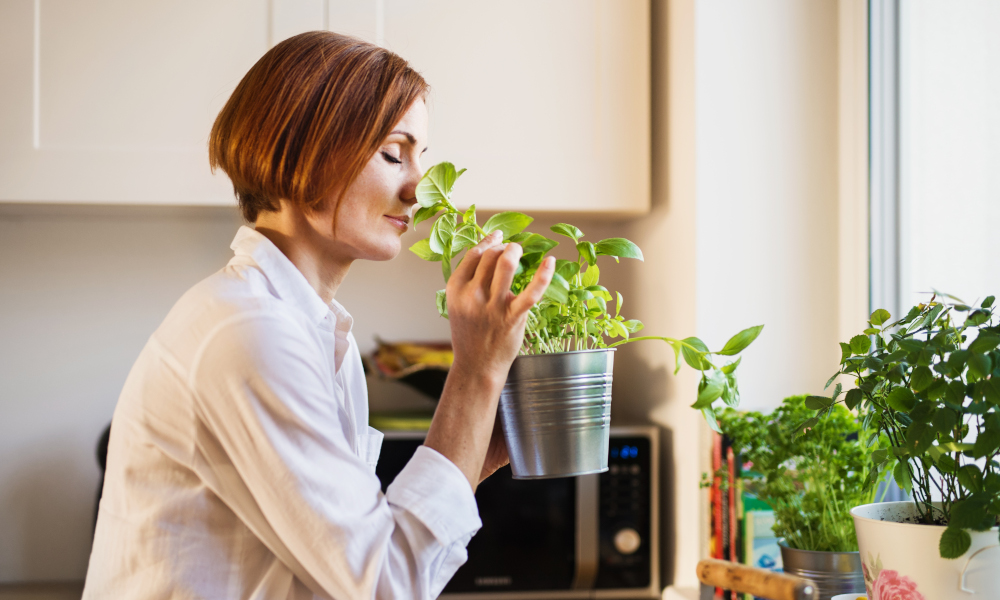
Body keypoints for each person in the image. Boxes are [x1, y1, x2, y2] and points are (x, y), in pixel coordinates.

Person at [82, 31, 555, 599]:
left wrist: (474, 449)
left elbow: (354, 546)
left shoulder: (316, 333)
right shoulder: (251, 334)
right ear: (304, 152)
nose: (418, 190)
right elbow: (386, 584)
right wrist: (476, 373)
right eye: (391, 153)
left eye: (420, 158)